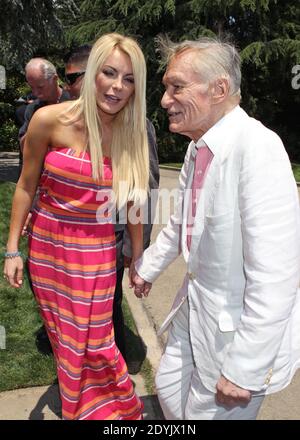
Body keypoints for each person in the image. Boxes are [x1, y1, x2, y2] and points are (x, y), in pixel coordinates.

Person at [133, 37, 300, 420]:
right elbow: (182, 222)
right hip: (195, 311)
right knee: (170, 390)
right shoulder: (198, 148)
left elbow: (276, 276)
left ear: (219, 89)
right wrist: (148, 267)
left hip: (235, 336)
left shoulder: (258, 149)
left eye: (176, 86)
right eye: (165, 88)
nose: (164, 100)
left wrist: (245, 367)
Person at [4, 33, 149, 420]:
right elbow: (24, 186)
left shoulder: (131, 134)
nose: (118, 86)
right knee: (66, 340)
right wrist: (13, 249)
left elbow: (134, 201)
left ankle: (116, 409)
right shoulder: (47, 120)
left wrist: (138, 256)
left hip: (98, 252)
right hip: (48, 249)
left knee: (97, 341)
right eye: (109, 73)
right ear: (91, 75)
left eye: (130, 79)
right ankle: (81, 409)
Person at [63, 45, 159, 367]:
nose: (69, 84)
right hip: (68, 244)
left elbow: (146, 189)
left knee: (108, 306)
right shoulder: (62, 120)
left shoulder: (137, 126)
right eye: (109, 73)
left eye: (128, 79)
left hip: (113, 242)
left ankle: (115, 363)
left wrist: (137, 248)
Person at [18, 58, 70, 152]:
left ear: (55, 79)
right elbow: (23, 148)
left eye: (40, 87)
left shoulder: (73, 102)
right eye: (32, 87)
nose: (36, 93)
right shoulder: (33, 109)